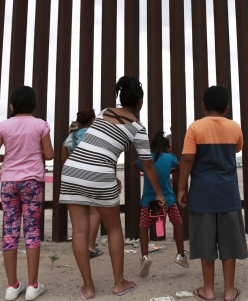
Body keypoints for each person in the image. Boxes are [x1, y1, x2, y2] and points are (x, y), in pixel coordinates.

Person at [59, 76, 168, 300]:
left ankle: (88, 288)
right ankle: (119, 283)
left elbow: (99, 145)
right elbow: (147, 164)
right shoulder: (138, 128)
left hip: (71, 170)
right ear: (140, 102)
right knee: (114, 229)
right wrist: (159, 193)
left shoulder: (104, 112)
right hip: (100, 174)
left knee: (79, 231)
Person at [178, 86, 247, 301]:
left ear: (203, 106)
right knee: (229, 242)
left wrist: (181, 187)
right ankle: (228, 291)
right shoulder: (235, 127)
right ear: (227, 108)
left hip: (202, 193)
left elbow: (188, 159)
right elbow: (237, 149)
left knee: (206, 242)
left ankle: (208, 290)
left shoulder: (195, 128)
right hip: (228, 193)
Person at [0, 86, 54, 301]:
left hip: (9, 182)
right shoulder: (40, 124)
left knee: (10, 232)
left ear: (12, 105)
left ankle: (12, 286)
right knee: (32, 232)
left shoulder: (4, 125)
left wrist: (9, 156)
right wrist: (35, 151)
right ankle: (32, 286)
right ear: (33, 104)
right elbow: (49, 155)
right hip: (32, 182)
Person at [136, 131, 188, 278]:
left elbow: (135, 165)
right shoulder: (170, 158)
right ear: (168, 147)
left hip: (149, 200)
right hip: (168, 200)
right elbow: (181, 166)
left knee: (144, 226)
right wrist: (170, 169)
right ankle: (181, 255)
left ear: (151, 148)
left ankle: (145, 257)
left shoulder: (145, 159)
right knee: (177, 223)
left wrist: (147, 170)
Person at [62, 108, 103, 258]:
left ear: (79, 122)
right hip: (93, 176)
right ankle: (90, 245)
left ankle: (81, 246)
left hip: (73, 177)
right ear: (93, 120)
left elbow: (63, 159)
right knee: (95, 211)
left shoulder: (70, 137)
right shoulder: (97, 136)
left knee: (79, 216)